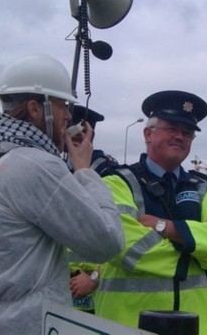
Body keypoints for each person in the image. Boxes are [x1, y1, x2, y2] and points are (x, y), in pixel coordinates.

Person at [0, 53, 124, 335]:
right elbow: (107, 241)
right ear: (36, 109)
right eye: (64, 106)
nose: (68, 117)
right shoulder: (35, 164)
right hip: (30, 324)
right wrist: (85, 171)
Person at [95, 90, 207, 335]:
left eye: (187, 133)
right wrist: (199, 249)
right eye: (172, 128)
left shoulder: (202, 186)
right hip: (128, 324)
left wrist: (167, 228)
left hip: (199, 326)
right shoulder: (118, 182)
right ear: (147, 133)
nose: (180, 137)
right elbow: (125, 247)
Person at [68, 105, 118, 314]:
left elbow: (118, 234)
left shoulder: (107, 172)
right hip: (62, 282)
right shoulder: (58, 167)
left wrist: (94, 278)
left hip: (92, 285)